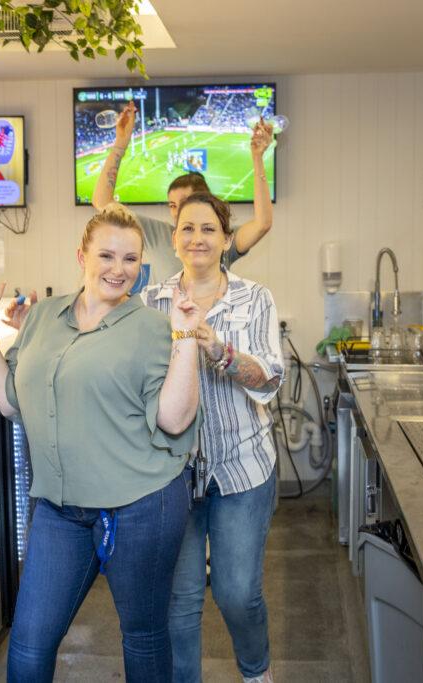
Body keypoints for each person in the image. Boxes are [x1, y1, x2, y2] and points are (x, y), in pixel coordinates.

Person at [0, 203, 203, 683]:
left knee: (143, 636)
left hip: (142, 506)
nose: (119, 270)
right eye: (107, 256)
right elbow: (12, 401)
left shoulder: (155, 327)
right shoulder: (43, 317)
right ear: (81, 257)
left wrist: (187, 337)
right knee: (30, 644)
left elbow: (176, 419)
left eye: (131, 259)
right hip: (59, 509)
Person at [142, 192, 285, 683]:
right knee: (179, 601)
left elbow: (269, 379)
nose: (197, 237)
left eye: (208, 229)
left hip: (242, 468)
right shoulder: (151, 301)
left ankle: (256, 671)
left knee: (236, 592)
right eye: (187, 228)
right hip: (172, 474)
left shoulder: (255, 298)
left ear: (227, 240)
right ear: (174, 239)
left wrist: (218, 349)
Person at [92, 100, 274, 291]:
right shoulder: (157, 233)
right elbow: (102, 201)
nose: (178, 212)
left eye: (185, 203)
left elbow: (262, 224)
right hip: (161, 322)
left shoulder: (219, 239)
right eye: (172, 205)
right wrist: (120, 143)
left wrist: (257, 158)